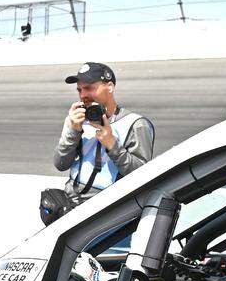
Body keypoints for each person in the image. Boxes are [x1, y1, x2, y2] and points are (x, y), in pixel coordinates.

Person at [45, 61, 155, 224]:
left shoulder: (136, 124)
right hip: (70, 207)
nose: (83, 95)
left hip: (107, 213)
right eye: (79, 90)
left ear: (109, 86)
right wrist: (73, 131)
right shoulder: (77, 119)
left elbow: (142, 177)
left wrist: (113, 146)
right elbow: (60, 164)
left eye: (89, 88)